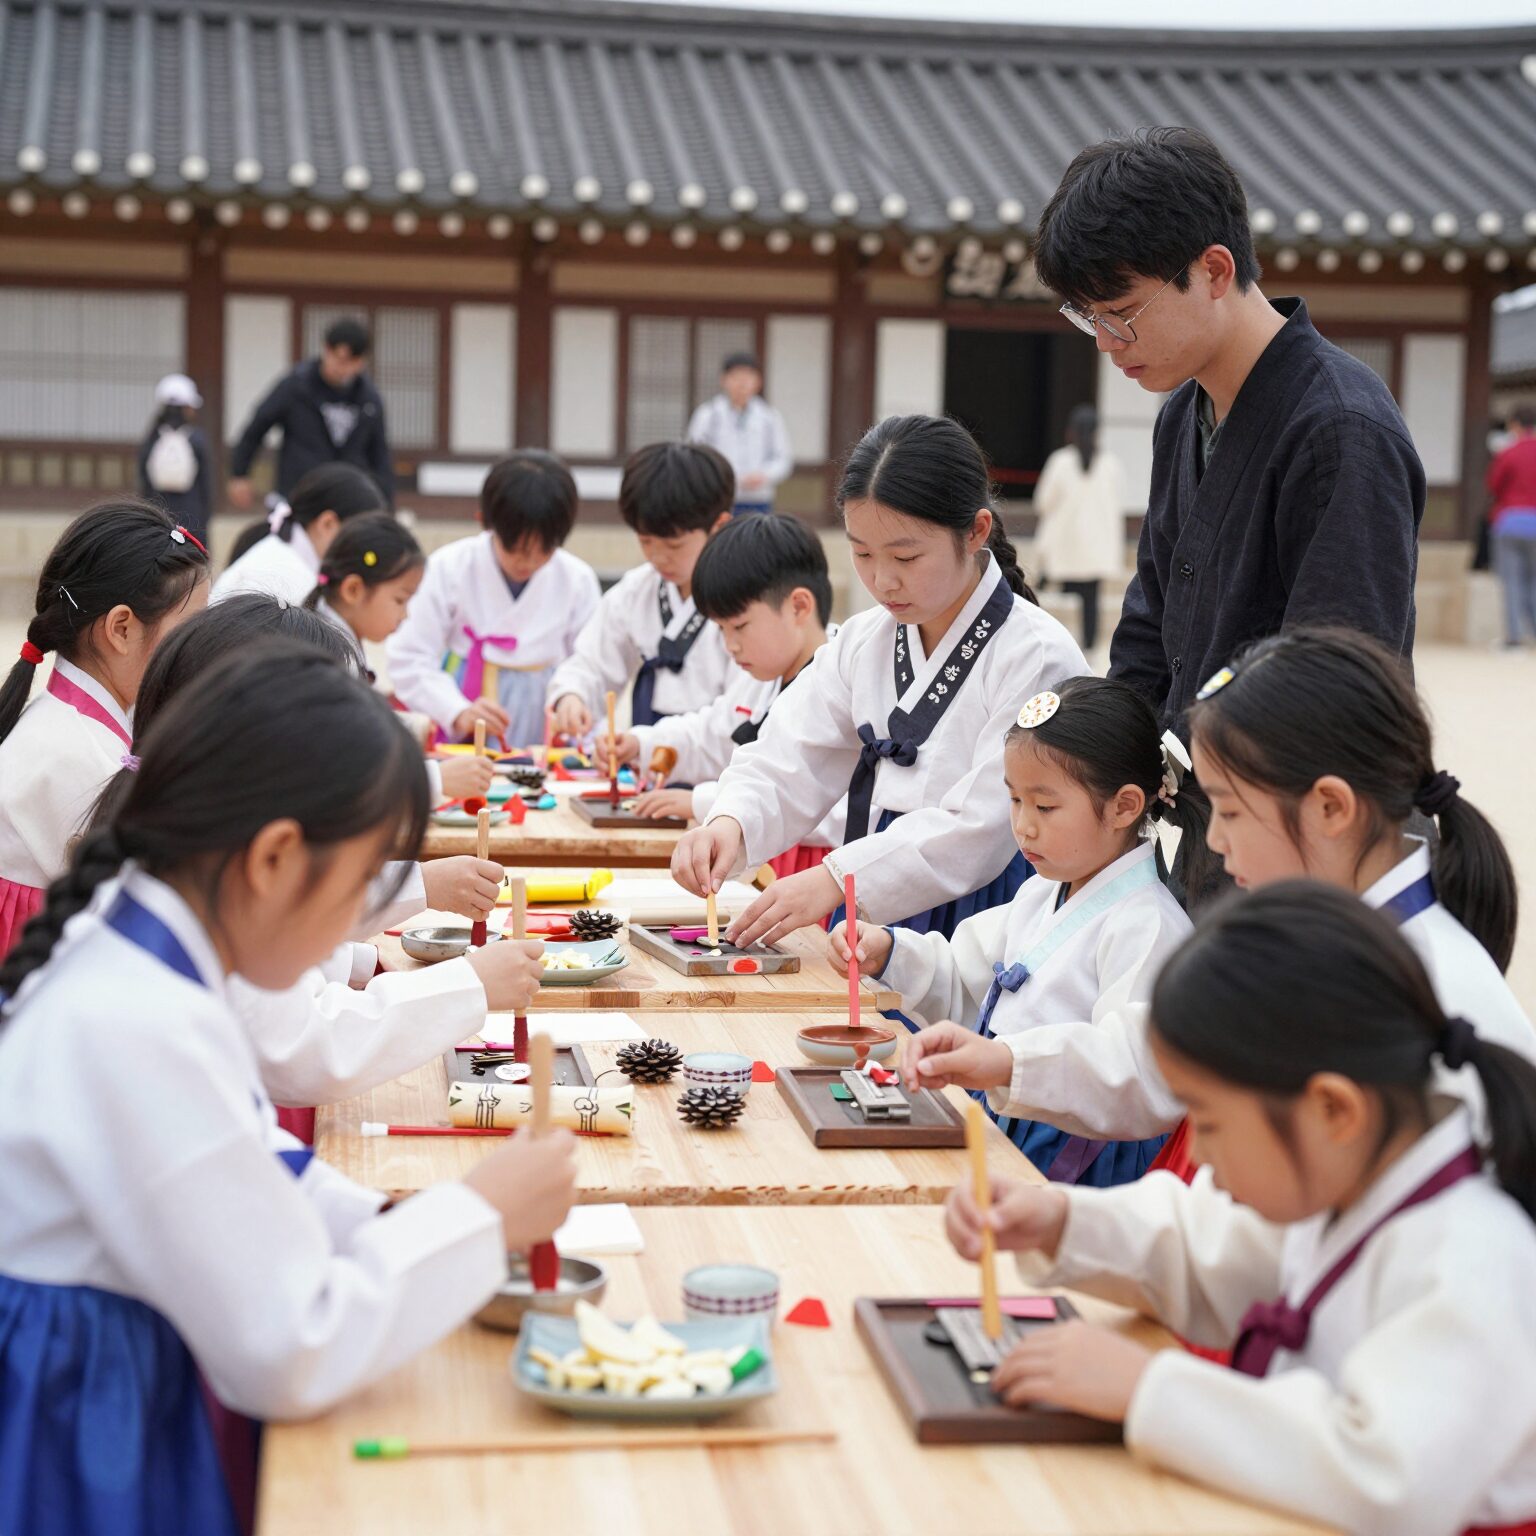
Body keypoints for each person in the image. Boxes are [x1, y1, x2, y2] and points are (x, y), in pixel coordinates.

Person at [0, 646, 576, 1536]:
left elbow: (243, 1155)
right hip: (77, 1429)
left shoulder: (142, 946)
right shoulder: (139, 1019)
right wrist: (479, 1218)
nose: (358, 924)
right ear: (273, 858)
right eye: (357, 886)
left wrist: (392, 1221)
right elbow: (291, 1346)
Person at [945, 884, 1536, 1536]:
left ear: (1333, 1110)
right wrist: (1059, 1221)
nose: (1196, 1150)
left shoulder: (1473, 1258)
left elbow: (1387, 1481)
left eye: (1210, 1121)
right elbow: (1206, 1247)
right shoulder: (1349, 1181)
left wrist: (1149, 1389)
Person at [903, 627, 1534, 1183]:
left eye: (1230, 811)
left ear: (1330, 808)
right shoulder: (1324, 948)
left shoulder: (1414, 988)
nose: (1217, 842)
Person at [90, 600, 539, 1139]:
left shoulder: (196, 864)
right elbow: (308, 1044)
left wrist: (360, 958)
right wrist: (470, 984)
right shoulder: (200, 912)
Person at [1033, 127, 1424, 731]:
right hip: (1189, 784)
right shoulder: (1181, 414)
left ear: (1214, 271)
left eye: (1121, 314)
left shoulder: (1340, 430)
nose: (1107, 343)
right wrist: (1116, 755)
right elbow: (1151, 620)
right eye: (1091, 320)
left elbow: (1335, 687)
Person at [672, 414, 1086, 951]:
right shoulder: (863, 641)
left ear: (976, 531)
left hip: (985, 912)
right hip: (865, 892)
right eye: (862, 553)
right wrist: (730, 822)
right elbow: (790, 752)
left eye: (906, 557)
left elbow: (982, 826)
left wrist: (836, 879)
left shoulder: (1036, 655)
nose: (882, 580)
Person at [835, 677, 1203, 1184]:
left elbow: (1136, 1067)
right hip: (1008, 1117)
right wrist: (891, 952)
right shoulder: (1041, 891)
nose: (1024, 826)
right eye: (1014, 800)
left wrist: (1010, 1063)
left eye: (1045, 806)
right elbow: (970, 981)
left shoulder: (1148, 925)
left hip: (1077, 1158)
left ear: (1124, 806)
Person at [0, 501, 208, 955]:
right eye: (190, 629)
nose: (200, 648)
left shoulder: (74, 724)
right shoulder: (78, 759)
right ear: (121, 628)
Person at [599, 513, 844, 879]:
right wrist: (641, 744)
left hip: (818, 871)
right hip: (764, 859)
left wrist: (702, 801)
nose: (731, 645)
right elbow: (714, 732)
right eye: (721, 629)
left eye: (739, 627)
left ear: (798, 606)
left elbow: (826, 801)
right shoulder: (765, 677)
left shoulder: (841, 680)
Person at [388, 452, 600, 748]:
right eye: (516, 549)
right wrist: (456, 710)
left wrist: (572, 697)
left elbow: (591, 661)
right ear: (486, 523)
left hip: (545, 710)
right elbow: (410, 656)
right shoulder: (450, 567)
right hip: (467, 699)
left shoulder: (577, 579)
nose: (528, 562)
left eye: (544, 551)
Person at [548, 441, 739, 734]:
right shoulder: (636, 591)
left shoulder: (743, 599)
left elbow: (742, 709)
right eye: (646, 541)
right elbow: (593, 663)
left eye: (674, 545)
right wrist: (573, 696)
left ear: (719, 525)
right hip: (643, 755)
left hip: (721, 755)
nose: (657, 557)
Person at [226, 316, 393, 509]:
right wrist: (239, 473)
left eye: (352, 361)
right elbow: (257, 426)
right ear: (326, 350)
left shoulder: (369, 399)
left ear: (362, 361)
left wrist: (385, 503)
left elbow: (379, 453)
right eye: (338, 358)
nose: (343, 367)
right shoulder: (296, 387)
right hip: (298, 492)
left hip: (348, 497)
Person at [211, 463, 385, 608]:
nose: (364, 549)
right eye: (361, 537)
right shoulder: (286, 576)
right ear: (327, 524)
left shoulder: (287, 557)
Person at [1031, 404, 1124, 652]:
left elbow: (1043, 502)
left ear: (1071, 430)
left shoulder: (1060, 462)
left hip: (1064, 546)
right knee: (1091, 601)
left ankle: (1052, 647)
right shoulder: (1110, 464)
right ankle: (1089, 651)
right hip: (1095, 549)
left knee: (1053, 598)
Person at [687, 352, 793, 515]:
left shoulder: (769, 416)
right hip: (719, 496)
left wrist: (764, 475)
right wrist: (726, 477)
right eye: (736, 377)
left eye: (748, 377)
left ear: (758, 382)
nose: (742, 383)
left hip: (759, 498)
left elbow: (782, 458)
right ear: (723, 380)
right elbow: (695, 456)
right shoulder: (708, 414)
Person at [137, 373, 213, 544]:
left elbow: (143, 475)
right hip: (192, 515)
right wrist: (206, 514)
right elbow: (206, 482)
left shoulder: (153, 437)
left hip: (157, 513)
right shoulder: (196, 437)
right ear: (186, 407)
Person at [1486, 403, 1536, 648]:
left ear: (1514, 424)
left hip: (1510, 522)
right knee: (1533, 581)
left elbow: (1494, 485)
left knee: (1512, 581)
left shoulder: (1508, 452)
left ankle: (1514, 638)